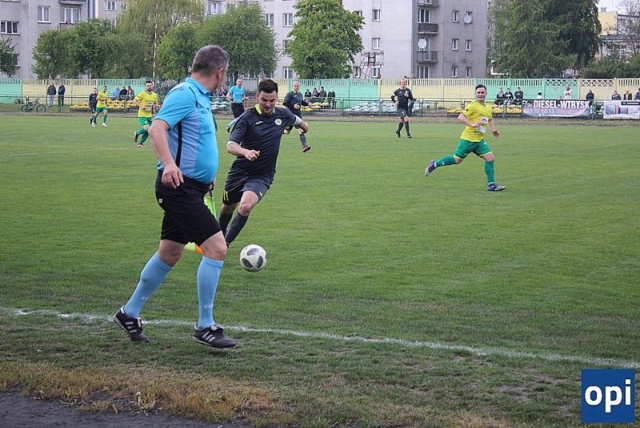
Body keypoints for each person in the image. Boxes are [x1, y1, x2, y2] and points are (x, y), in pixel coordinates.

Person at [113, 44, 236, 349]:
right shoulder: (185, 94)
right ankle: (205, 326)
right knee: (217, 248)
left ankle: (129, 313)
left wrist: (207, 176)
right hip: (179, 189)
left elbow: (194, 141)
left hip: (192, 188)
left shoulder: (200, 97)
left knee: (169, 253)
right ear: (220, 72)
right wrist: (168, 164)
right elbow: (157, 128)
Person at [218, 79, 309, 247]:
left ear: (276, 98)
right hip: (239, 171)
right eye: (264, 100)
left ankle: (224, 244)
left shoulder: (283, 114)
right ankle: (219, 235)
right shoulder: (247, 117)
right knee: (227, 207)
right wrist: (246, 152)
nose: (268, 104)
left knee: (245, 207)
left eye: (272, 100)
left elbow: (301, 123)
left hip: (262, 175)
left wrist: (304, 127)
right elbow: (230, 145)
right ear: (257, 96)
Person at [424, 84, 505, 192]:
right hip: (468, 139)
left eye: (482, 92)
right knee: (456, 160)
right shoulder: (473, 105)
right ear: (475, 94)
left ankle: (491, 185)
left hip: (479, 140)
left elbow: (489, 119)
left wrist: (493, 130)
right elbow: (460, 117)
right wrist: (472, 124)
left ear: (486, 93)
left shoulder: (488, 106)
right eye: (478, 92)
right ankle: (434, 164)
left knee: (490, 158)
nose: (480, 94)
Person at [282, 80, 311, 152]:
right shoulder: (289, 94)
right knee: (287, 132)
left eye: (297, 86)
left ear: (299, 87)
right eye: (295, 86)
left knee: (301, 130)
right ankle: (277, 132)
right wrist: (293, 105)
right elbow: (285, 103)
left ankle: (304, 146)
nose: (296, 87)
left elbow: (301, 102)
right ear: (293, 86)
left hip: (298, 115)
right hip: (291, 115)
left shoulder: (300, 94)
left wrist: (307, 104)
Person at [133, 80, 160, 148]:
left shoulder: (155, 95)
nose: (149, 87)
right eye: (148, 85)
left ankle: (140, 143)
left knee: (149, 130)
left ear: (152, 86)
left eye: (150, 85)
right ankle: (137, 133)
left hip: (149, 115)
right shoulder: (142, 94)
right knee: (147, 127)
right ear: (145, 86)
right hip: (142, 114)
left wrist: (157, 105)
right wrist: (141, 106)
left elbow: (155, 103)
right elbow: (134, 101)